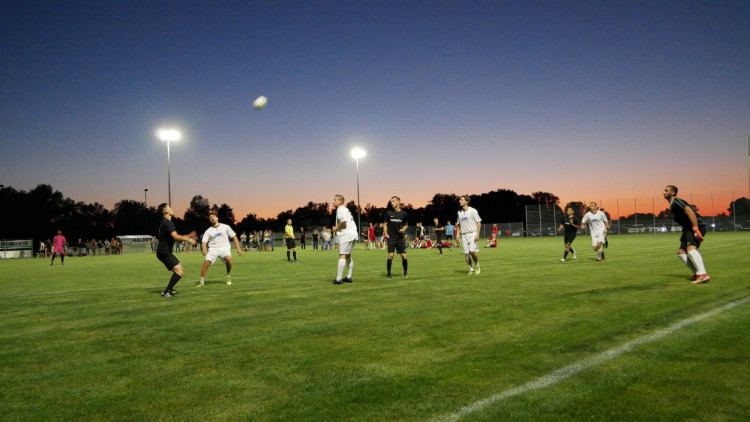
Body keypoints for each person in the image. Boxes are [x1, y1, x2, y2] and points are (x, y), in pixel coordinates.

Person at [663, 185, 710, 284]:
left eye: (666, 190)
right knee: (681, 252)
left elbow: (691, 213)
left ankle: (703, 275)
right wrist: (684, 233)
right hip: (688, 229)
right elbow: (685, 220)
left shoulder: (677, 202)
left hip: (696, 227)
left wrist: (695, 229)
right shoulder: (672, 205)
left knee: (691, 249)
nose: (664, 192)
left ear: (673, 193)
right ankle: (697, 274)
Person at [155, 203, 196, 298]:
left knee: (180, 270)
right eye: (169, 207)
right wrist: (189, 240)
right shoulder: (166, 222)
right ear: (166, 211)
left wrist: (188, 235)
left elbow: (176, 236)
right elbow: (176, 237)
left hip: (165, 252)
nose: (171, 209)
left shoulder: (167, 222)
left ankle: (170, 289)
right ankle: (166, 292)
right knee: (179, 272)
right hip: (164, 252)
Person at [198, 212, 243, 287]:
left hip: (224, 248)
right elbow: (204, 242)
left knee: (228, 259)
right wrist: (203, 249)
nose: (212, 218)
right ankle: (201, 282)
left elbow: (234, 237)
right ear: (209, 220)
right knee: (206, 263)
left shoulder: (225, 227)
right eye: (210, 218)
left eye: (214, 216)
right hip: (213, 249)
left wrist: (238, 248)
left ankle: (228, 276)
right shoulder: (208, 231)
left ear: (217, 218)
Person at [331, 194, 358, 284]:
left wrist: (336, 228)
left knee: (342, 255)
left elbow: (344, 222)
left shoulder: (340, 209)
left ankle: (339, 279)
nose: (333, 201)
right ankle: (349, 277)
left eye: (335, 200)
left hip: (346, 235)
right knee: (348, 255)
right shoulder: (346, 209)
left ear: (340, 202)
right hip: (353, 233)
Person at [384, 195, 409, 279]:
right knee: (390, 255)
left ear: (398, 202)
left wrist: (403, 229)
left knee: (403, 256)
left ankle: (405, 272)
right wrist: (385, 233)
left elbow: (406, 225)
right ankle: (389, 273)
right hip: (391, 237)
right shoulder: (388, 213)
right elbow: (385, 224)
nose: (392, 203)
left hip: (400, 238)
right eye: (391, 201)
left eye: (393, 201)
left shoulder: (404, 213)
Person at [456, 195, 482, 274]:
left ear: (466, 201)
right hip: (464, 235)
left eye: (461, 200)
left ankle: (477, 265)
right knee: (466, 254)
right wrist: (457, 234)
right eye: (459, 200)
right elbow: (458, 224)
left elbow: (478, 222)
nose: (459, 201)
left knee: (472, 251)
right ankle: (470, 269)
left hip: (472, 233)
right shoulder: (459, 212)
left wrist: (477, 234)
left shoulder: (473, 211)